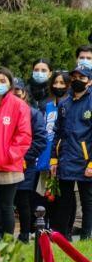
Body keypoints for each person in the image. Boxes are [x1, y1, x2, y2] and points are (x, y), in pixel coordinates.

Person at [0, 68, 33, 239]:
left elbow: (24, 135)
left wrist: (9, 155)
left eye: (2, 81)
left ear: (10, 84)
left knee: (6, 205)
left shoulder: (19, 105)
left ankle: (7, 239)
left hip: (9, 165)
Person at [51, 60, 92, 240]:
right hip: (66, 159)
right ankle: (63, 237)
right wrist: (54, 160)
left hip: (85, 161)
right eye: (74, 77)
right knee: (64, 200)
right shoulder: (64, 104)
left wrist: (91, 163)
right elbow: (57, 133)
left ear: (89, 81)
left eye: (81, 77)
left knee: (87, 201)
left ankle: (87, 235)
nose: (77, 80)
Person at [16, 73, 52, 242]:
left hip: (26, 164)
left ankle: (25, 233)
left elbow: (41, 140)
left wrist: (26, 157)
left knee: (24, 200)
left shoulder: (33, 113)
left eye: (18, 90)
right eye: (12, 90)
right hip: (5, 163)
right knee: (5, 202)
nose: (15, 93)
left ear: (24, 92)